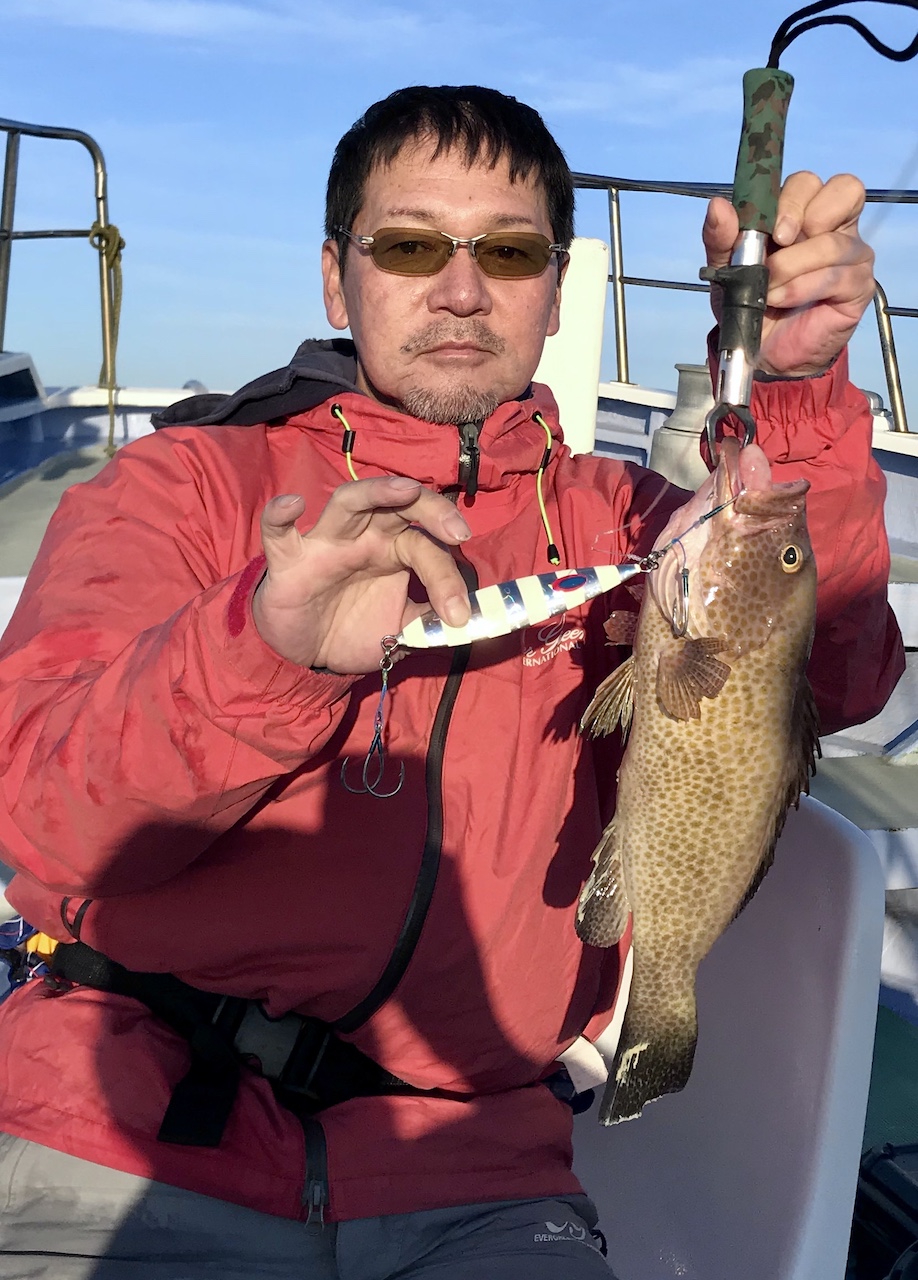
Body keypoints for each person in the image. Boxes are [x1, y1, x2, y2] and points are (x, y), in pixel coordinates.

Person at [0, 84, 904, 1279]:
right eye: (413, 247)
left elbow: (829, 671)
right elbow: (48, 824)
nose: (463, 289)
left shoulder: (635, 522)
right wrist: (265, 648)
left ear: (556, 290)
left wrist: (791, 395)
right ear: (339, 280)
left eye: (510, 252)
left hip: (479, 1179)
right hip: (122, 1130)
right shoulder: (183, 488)